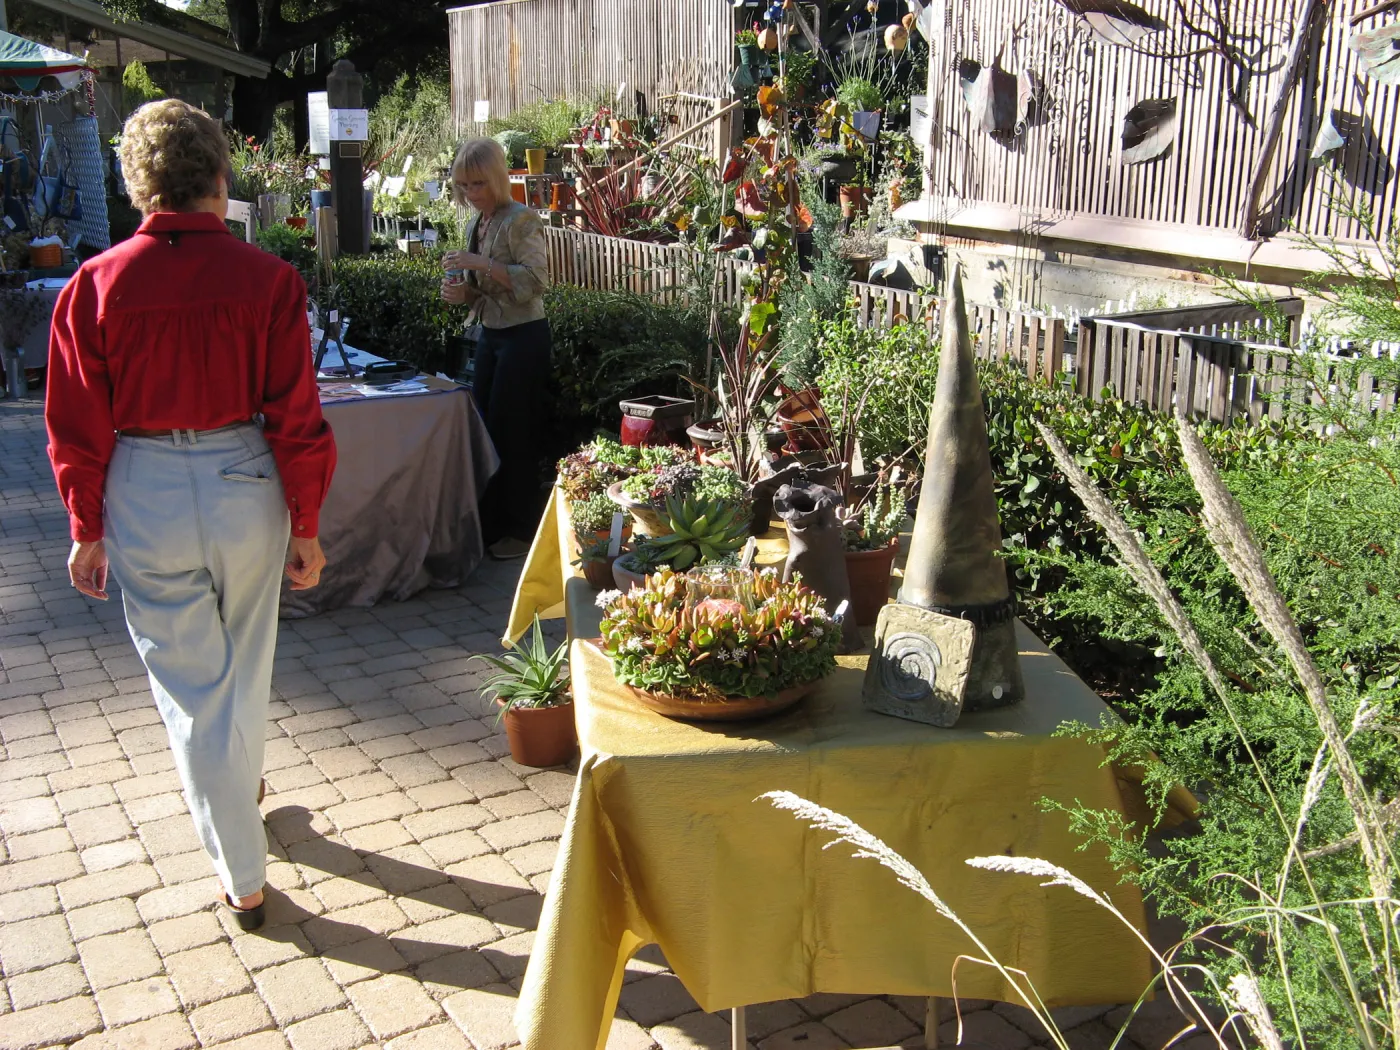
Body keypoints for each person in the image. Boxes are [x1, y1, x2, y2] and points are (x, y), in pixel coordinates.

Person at [45, 99, 336, 933]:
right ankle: (241, 803)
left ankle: (241, 869)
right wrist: (307, 522)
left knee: (194, 689)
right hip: (246, 476)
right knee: (244, 661)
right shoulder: (270, 279)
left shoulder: (92, 287)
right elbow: (296, 413)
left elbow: (74, 422)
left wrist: (85, 525)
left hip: (146, 484)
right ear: (219, 176)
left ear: (139, 185)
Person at [440, 137, 551, 560]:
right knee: (485, 428)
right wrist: (462, 295)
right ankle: (490, 523)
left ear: (498, 179)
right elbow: (486, 293)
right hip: (491, 332)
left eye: (477, 185)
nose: (471, 194)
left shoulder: (522, 220)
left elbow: (537, 282)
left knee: (514, 433)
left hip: (524, 336)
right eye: (464, 186)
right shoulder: (479, 222)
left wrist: (480, 265)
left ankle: (521, 531)